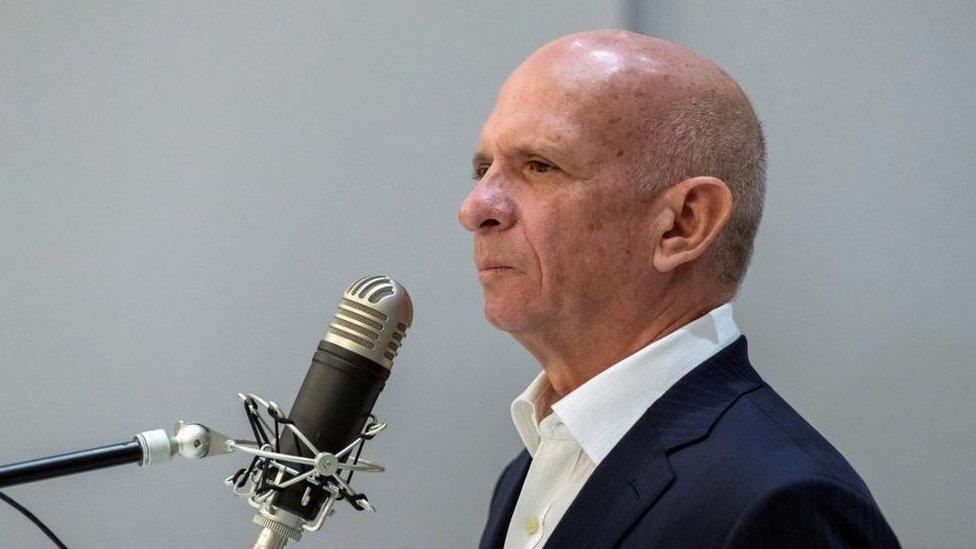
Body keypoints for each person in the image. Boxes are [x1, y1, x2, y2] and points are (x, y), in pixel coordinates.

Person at [458, 30, 899, 548]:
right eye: (484, 168)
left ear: (683, 224)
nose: (475, 209)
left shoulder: (780, 502)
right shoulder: (535, 463)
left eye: (540, 166)